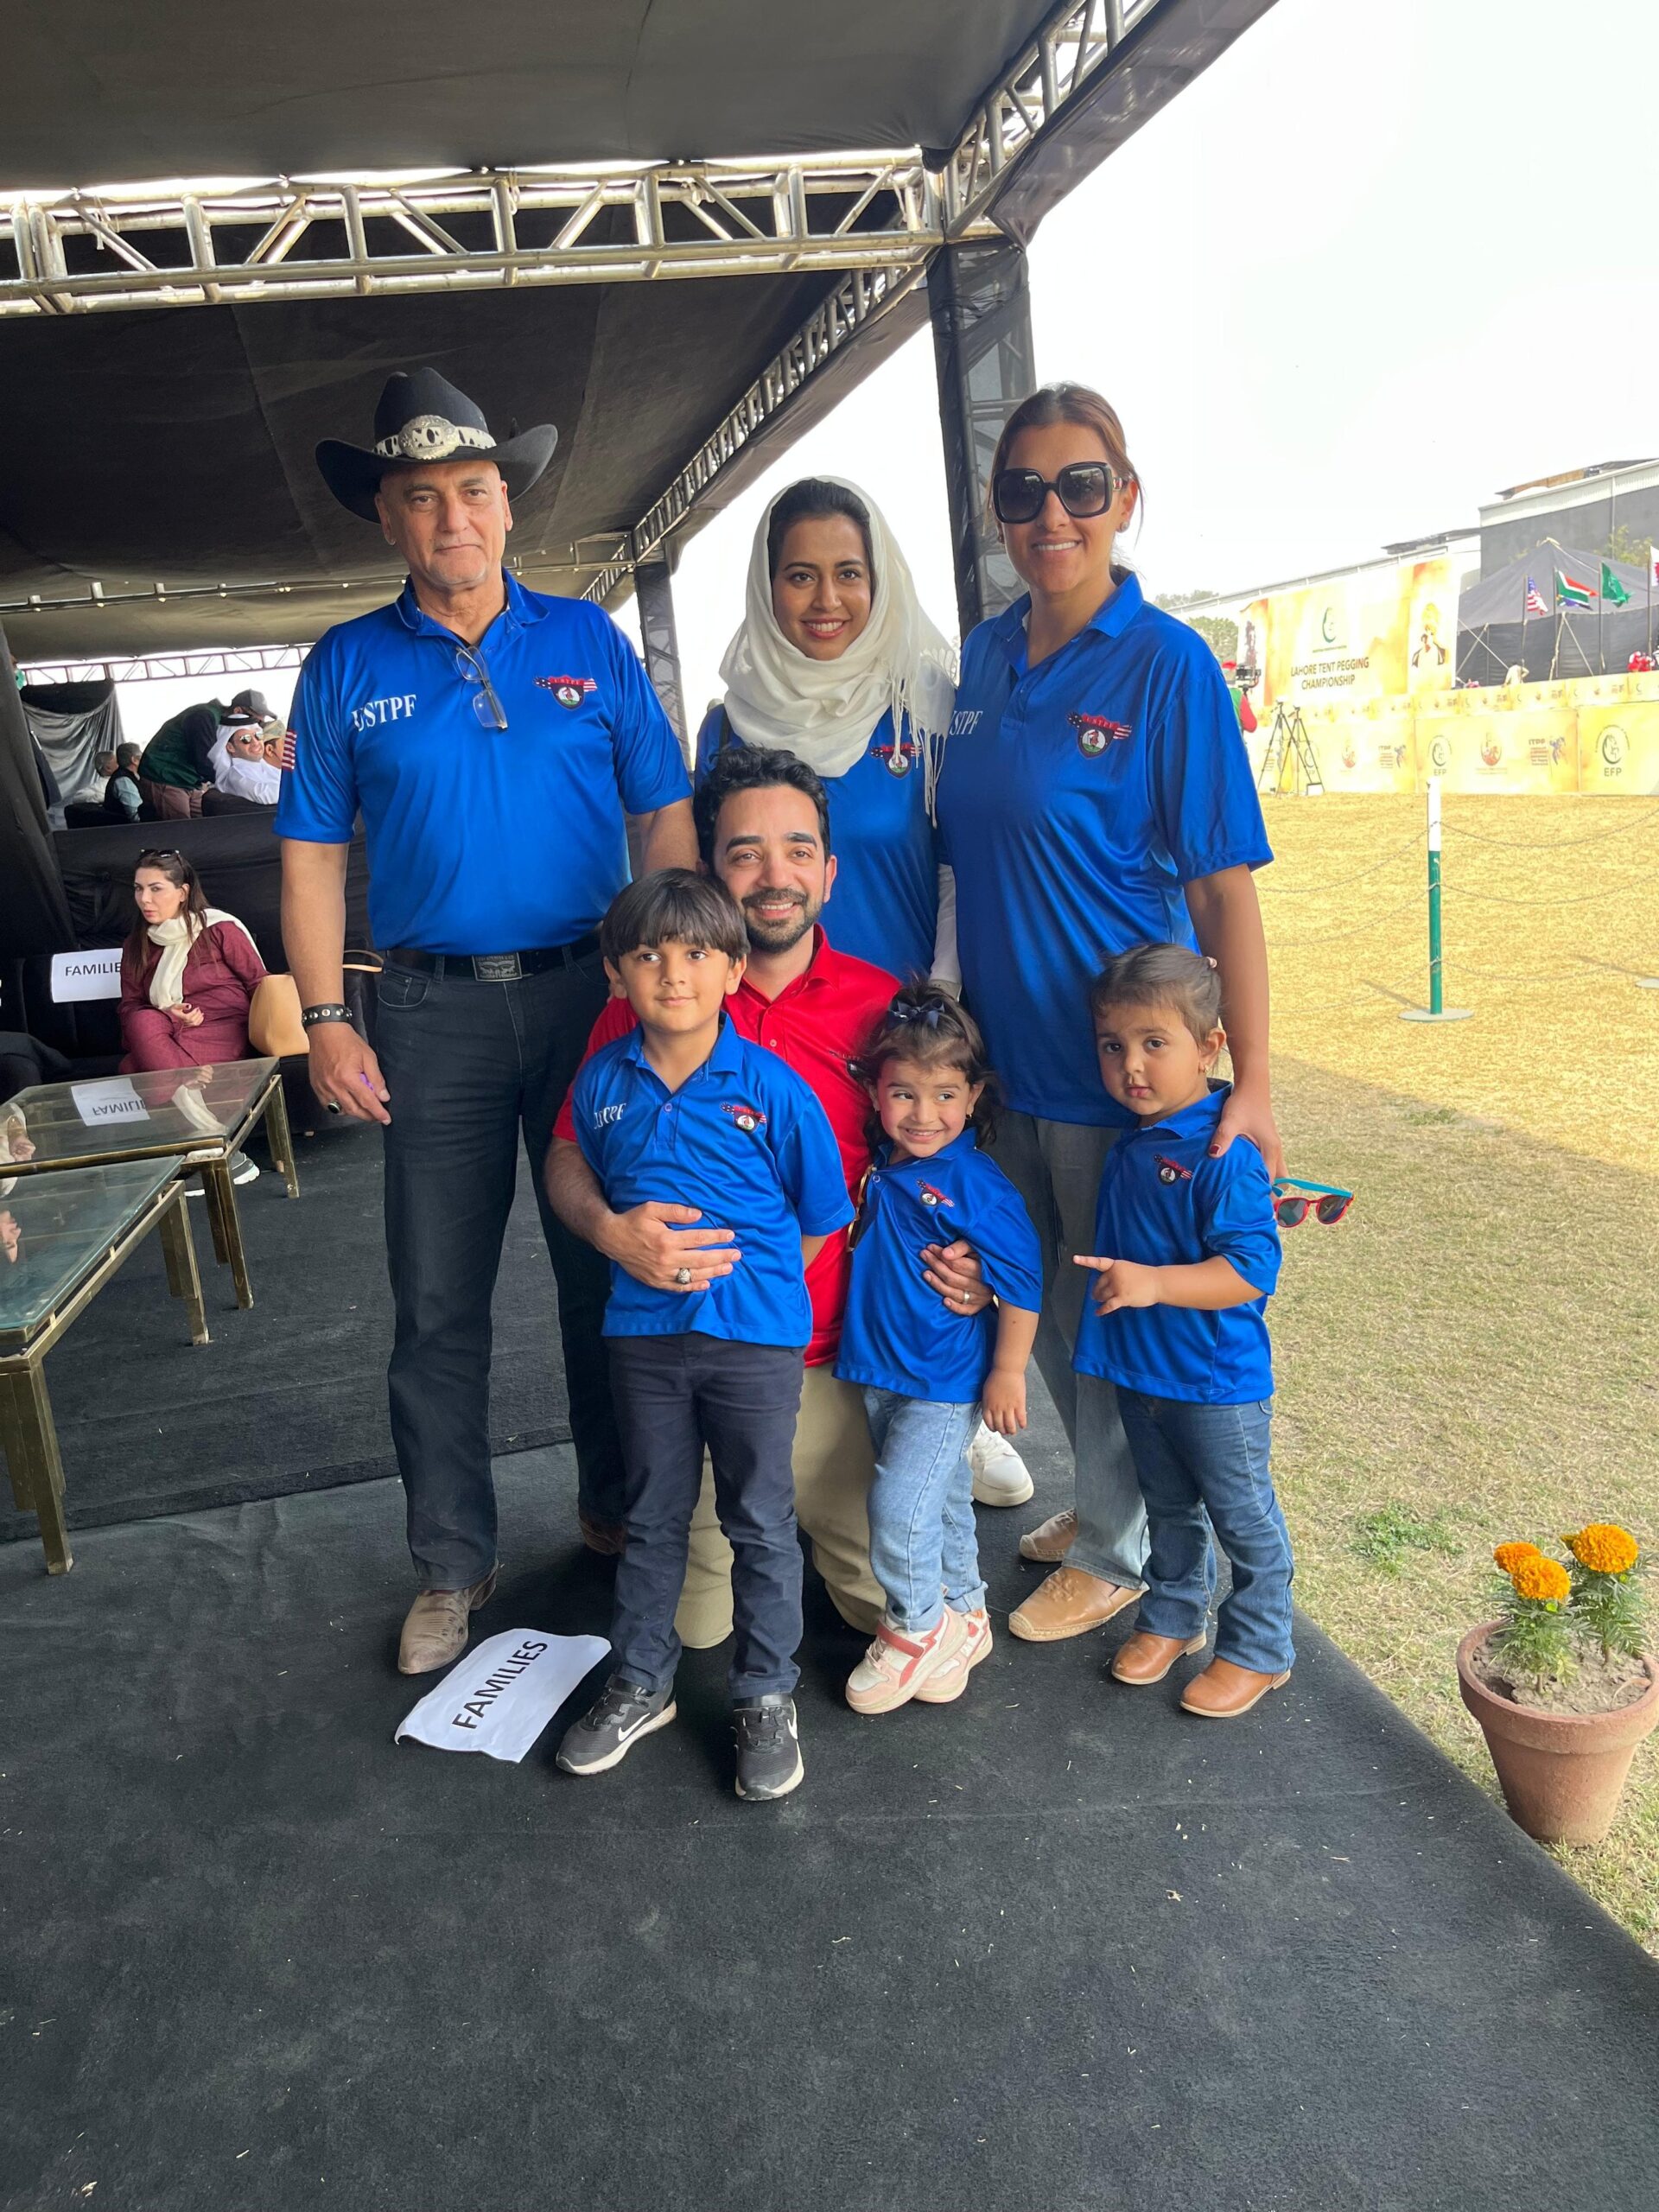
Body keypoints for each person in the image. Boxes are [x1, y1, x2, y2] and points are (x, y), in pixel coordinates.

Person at [276, 366, 695, 1677]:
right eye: (420, 497)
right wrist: (325, 1019)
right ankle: (453, 1563)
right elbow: (310, 857)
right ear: (387, 516)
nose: (451, 517)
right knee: (436, 1301)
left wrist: (669, 976)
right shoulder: (344, 665)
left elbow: (664, 815)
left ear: (509, 503)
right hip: (427, 1013)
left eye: (472, 490)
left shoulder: (591, 643)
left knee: (604, 1269)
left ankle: (620, 1514)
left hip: (590, 1000)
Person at [936, 381, 1277, 1645]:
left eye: (1081, 486)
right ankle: (1108, 1508)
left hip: (1121, 1078)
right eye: (1023, 489)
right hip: (1006, 1068)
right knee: (1044, 1304)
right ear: (998, 511)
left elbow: (1224, 888)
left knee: (1108, 1320)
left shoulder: (1167, 664)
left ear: (1125, 498)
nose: (1053, 514)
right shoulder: (982, 659)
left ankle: (1124, 1551)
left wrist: (1253, 1080)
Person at [549, 743, 993, 1647]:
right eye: (744, 853)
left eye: (797, 850)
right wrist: (609, 1230)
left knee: (885, 1607)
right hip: (689, 1347)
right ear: (710, 873)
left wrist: (978, 1263)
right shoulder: (648, 1003)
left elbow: (949, 1169)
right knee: (695, 1628)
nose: (774, 876)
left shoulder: (886, 1009)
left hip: (840, 1357)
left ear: (829, 872)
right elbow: (567, 1153)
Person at [700, 475, 1035, 1514]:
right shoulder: (727, 722)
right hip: (773, 1030)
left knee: (926, 1226)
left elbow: (955, 866)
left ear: (881, 578)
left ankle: (956, 1415)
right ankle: (809, 1445)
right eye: (799, 575)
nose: (827, 598)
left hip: (900, 1033)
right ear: (767, 586)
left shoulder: (924, 703)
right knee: (806, 1228)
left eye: (849, 572)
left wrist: (939, 1010)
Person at [554, 871, 852, 1802]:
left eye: (695, 954)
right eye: (647, 956)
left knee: (760, 1519)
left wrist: (756, 1292)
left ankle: (764, 1692)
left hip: (754, 1346)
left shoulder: (774, 1087)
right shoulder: (602, 1084)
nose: (672, 974)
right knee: (651, 1516)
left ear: (732, 969)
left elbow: (822, 1218)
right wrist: (619, 1239)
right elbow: (582, 1176)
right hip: (643, 1341)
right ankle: (642, 1682)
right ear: (617, 975)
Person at [1073, 944, 1291, 1717]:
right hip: (1143, 1375)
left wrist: (1157, 1283)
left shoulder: (1223, 1152)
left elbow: (1252, 1271)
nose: (1131, 1065)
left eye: (1154, 1043)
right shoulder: (1137, 1133)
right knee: (1167, 1508)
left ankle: (1261, 1648)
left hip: (1215, 1384)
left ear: (1209, 1047)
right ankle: (1173, 1616)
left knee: (1244, 1520)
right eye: (1113, 1046)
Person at [835, 987, 1041, 1715]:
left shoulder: (976, 1185)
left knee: (898, 1507)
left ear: (974, 1096)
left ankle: (916, 1627)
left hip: (944, 1381)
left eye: (945, 1095)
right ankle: (966, 1613)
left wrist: (1008, 1371)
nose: (923, 1115)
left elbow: (1023, 1280)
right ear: (876, 1091)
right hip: (881, 1372)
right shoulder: (881, 1162)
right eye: (904, 1094)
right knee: (943, 1495)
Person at [120, 849, 266, 1184]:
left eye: (156, 888)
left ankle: (199, 1152)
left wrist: (261, 1038)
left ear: (183, 892)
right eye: (138, 889)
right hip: (164, 1031)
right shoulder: (135, 945)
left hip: (222, 1027)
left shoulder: (219, 928)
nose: (144, 899)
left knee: (133, 1068)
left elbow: (259, 984)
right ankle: (221, 1150)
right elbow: (129, 1007)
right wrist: (169, 1014)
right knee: (142, 1020)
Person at [138, 689, 271, 819]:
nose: (256, 726)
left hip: (188, 781)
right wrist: (242, 786)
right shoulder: (203, 716)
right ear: (238, 711)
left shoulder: (222, 724)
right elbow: (206, 762)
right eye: (257, 721)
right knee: (182, 829)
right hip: (166, 777)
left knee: (207, 823)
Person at [209, 717, 283, 806]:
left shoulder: (266, 767)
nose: (256, 743)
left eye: (258, 735)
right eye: (246, 739)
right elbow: (267, 795)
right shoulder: (236, 775)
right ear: (230, 747)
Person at [104, 743, 143, 822]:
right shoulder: (124, 781)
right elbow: (136, 816)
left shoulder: (130, 777)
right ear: (134, 760)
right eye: (141, 756)